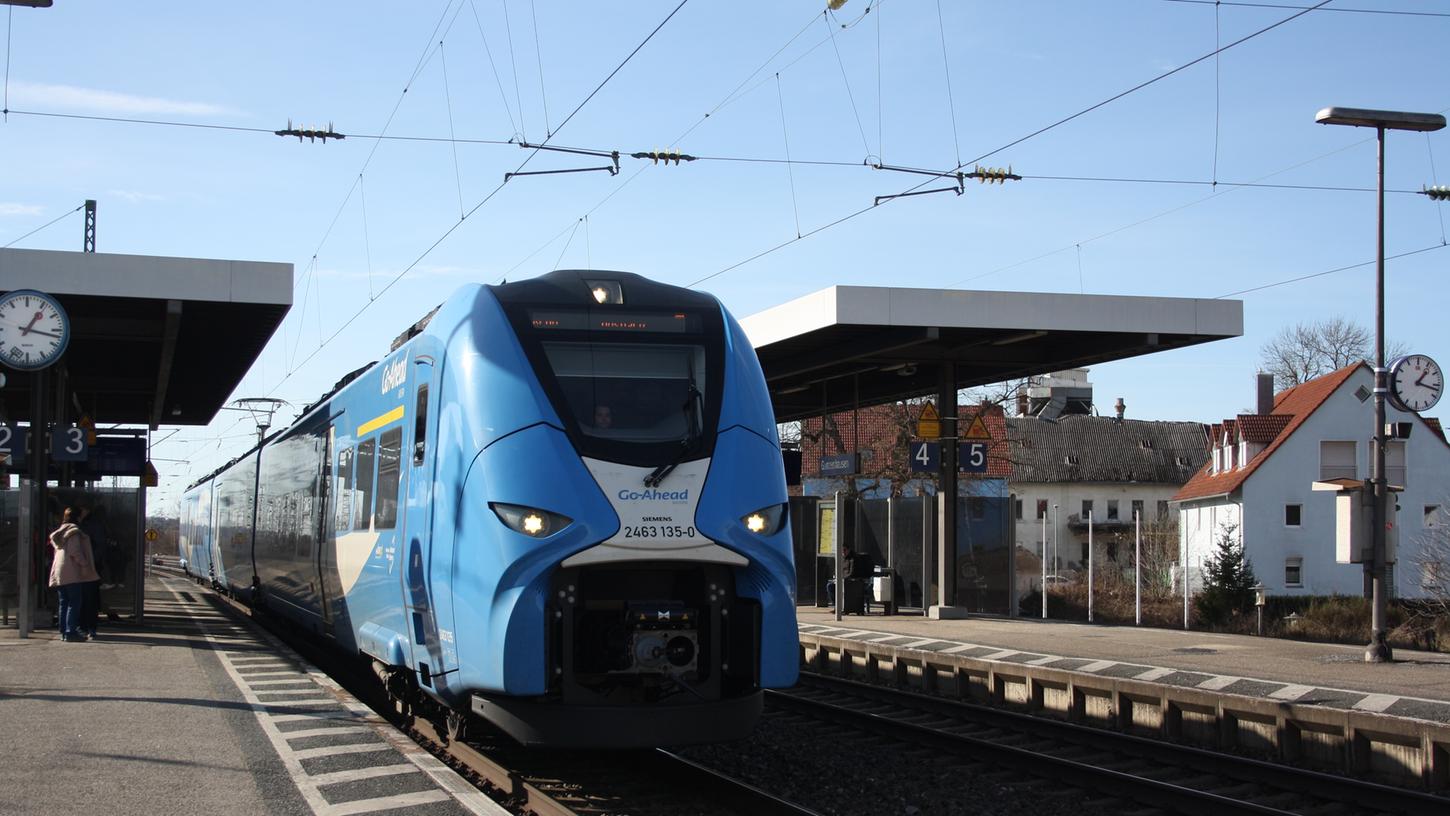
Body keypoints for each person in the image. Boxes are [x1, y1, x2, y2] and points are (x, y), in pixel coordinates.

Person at [48, 507, 100, 642]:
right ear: (77, 517)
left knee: (63, 602)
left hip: (60, 571)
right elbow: (75, 551)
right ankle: (71, 632)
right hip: (71, 571)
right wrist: (85, 564)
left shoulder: (60, 532)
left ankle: (63, 631)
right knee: (74, 602)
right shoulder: (74, 532)